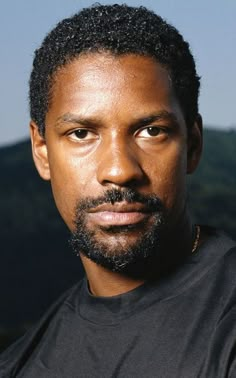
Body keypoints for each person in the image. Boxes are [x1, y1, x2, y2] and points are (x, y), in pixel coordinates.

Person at [1, 4, 236, 377]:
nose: (119, 170)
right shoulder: (21, 364)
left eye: (151, 131)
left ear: (192, 145)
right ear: (42, 152)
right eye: (81, 134)